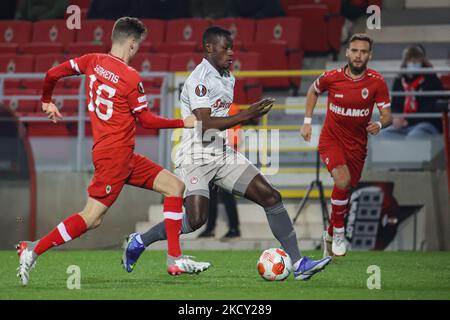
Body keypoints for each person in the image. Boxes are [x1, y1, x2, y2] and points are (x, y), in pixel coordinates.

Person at [123, 26, 332, 281]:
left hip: (221, 153)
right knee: (196, 219)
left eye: (232, 47)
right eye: (226, 47)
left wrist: (250, 118)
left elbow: (222, 118)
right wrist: (246, 114)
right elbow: (204, 124)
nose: (231, 53)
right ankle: (140, 241)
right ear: (209, 47)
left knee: (271, 196)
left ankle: (299, 263)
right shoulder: (199, 79)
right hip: (195, 155)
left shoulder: (227, 76)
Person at [16, 17, 210, 286]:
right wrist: (183, 122)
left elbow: (51, 75)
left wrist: (46, 101)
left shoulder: (91, 60)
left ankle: (174, 259)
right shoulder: (131, 78)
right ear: (132, 43)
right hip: (115, 158)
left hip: (120, 155)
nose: (138, 49)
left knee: (175, 187)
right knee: (91, 218)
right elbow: (147, 121)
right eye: (138, 45)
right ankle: (33, 249)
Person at [301, 33, 393, 258]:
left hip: (357, 147)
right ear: (347, 52)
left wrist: (380, 124)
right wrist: (307, 122)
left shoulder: (376, 82)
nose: (358, 55)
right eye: (354, 50)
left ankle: (330, 235)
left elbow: (388, 115)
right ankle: (340, 233)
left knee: (345, 192)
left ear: (369, 55)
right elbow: (313, 90)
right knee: (342, 180)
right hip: (331, 140)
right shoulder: (331, 77)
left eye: (363, 51)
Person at [377, 45, 444, 139]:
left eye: (416, 60)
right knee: (382, 135)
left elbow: (432, 107)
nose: (413, 63)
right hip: (403, 125)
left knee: (413, 137)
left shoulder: (431, 79)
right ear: (406, 62)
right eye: (410, 60)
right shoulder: (400, 80)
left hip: (427, 124)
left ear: (422, 61)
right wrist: (396, 118)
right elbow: (395, 105)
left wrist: (409, 121)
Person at [198, 103, 242, 239]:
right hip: (213, 153)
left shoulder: (229, 107)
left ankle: (232, 227)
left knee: (225, 193)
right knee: (213, 194)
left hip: (223, 154)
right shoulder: (216, 107)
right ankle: (215, 227)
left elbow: (233, 134)